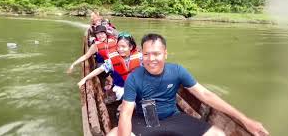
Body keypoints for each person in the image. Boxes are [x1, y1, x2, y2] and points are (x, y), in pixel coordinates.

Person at [107, 33, 269, 136]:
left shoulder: (177, 71)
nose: (151, 59)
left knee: (218, 134)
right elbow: (126, 113)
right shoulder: (134, 78)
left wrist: (245, 120)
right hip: (145, 120)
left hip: (174, 118)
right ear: (142, 55)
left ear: (165, 54)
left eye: (156, 54)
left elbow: (206, 95)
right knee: (114, 134)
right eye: (147, 54)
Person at [77, 32, 141, 100]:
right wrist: (85, 79)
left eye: (123, 47)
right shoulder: (112, 60)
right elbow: (99, 70)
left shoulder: (140, 57)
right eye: (118, 46)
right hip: (122, 89)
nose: (120, 49)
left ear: (130, 47)